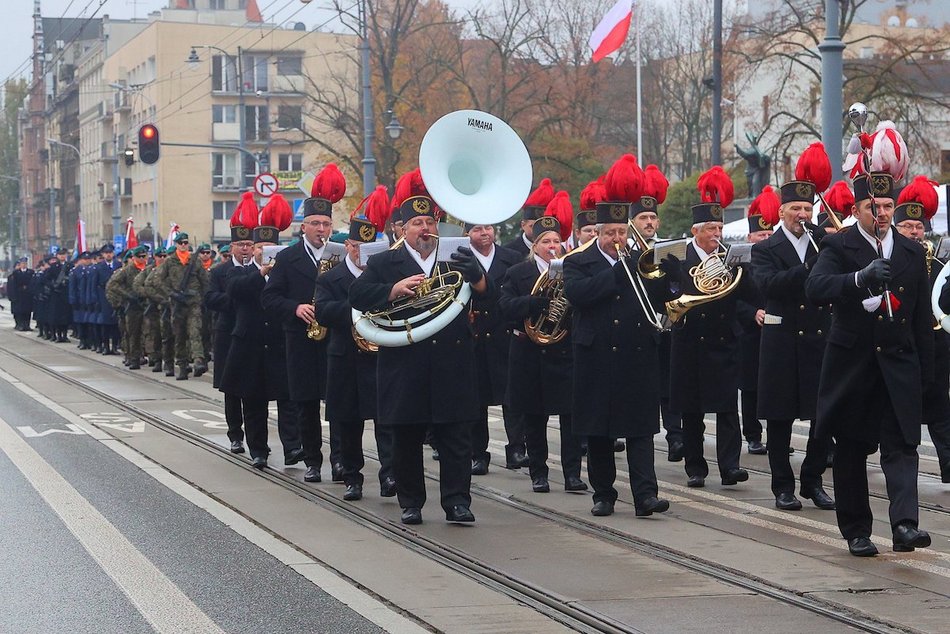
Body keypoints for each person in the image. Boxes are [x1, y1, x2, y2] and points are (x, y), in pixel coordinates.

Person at [349, 169, 491, 525]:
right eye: (416, 223)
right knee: (406, 436)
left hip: (452, 361)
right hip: (404, 362)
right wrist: (392, 291)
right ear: (402, 229)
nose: (424, 229)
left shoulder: (456, 258)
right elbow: (357, 296)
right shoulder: (384, 262)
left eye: (429, 222)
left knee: (456, 436)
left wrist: (478, 276)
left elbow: (494, 301)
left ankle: (457, 501)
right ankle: (410, 501)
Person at [806, 172, 933, 557]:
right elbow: (815, 288)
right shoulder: (839, 245)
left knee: (902, 446)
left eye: (886, 207)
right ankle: (857, 529)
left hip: (898, 363)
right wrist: (859, 278)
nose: (880, 214)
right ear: (856, 209)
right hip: (854, 365)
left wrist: (926, 375)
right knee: (851, 449)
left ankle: (905, 525)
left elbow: (921, 320)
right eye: (871, 207)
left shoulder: (911, 253)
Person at [563, 156, 671, 517]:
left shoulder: (643, 257)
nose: (617, 239)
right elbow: (580, 296)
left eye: (622, 232)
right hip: (595, 356)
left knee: (641, 429)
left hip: (637, 352)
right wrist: (621, 272)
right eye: (610, 233)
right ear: (598, 232)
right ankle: (604, 493)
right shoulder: (578, 262)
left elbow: (661, 296)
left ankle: (645, 495)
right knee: (599, 431)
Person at [668, 166, 755, 489]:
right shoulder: (680, 256)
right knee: (691, 410)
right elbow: (670, 295)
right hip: (690, 340)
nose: (717, 233)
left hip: (723, 340)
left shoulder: (730, 257)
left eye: (719, 227)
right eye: (711, 228)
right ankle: (695, 466)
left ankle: (730, 466)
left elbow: (749, 295)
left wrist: (746, 270)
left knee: (727, 409)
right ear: (696, 231)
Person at [751, 180, 835, 511]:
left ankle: (813, 481)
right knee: (779, 417)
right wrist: (806, 270)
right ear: (782, 211)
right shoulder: (765, 249)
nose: (802, 214)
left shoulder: (822, 243)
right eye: (796, 209)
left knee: (822, 416)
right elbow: (769, 285)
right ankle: (782, 486)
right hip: (782, 341)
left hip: (818, 338)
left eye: (807, 209)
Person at [261, 164, 343, 484]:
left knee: (337, 404)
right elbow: (270, 298)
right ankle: (312, 460)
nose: (321, 229)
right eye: (315, 224)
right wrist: (295, 308)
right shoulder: (287, 258)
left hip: (334, 338)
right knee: (306, 402)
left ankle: (340, 460)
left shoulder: (339, 256)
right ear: (303, 226)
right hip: (300, 340)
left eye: (326, 223)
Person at [499, 211, 586, 494]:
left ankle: (572, 474)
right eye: (546, 241)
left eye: (556, 241)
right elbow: (505, 307)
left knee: (571, 417)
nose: (552, 246)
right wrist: (531, 303)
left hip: (563, 351)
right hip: (529, 353)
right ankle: (539, 472)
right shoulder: (517, 273)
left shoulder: (572, 270)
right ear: (535, 245)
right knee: (534, 418)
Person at [315, 208, 396, 500]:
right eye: (358, 247)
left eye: (369, 248)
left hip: (379, 357)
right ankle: (352, 476)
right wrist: (358, 310)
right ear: (348, 246)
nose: (363, 253)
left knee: (386, 419)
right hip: (345, 358)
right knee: (348, 421)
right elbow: (323, 312)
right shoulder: (331, 278)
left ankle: (390, 474)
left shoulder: (382, 275)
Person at [221, 198, 302, 470]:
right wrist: (261, 273)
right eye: (259, 247)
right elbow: (235, 291)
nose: (264, 251)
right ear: (252, 250)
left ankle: (293, 447)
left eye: (269, 247)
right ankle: (259, 450)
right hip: (250, 346)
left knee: (287, 400)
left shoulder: (286, 272)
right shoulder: (239, 272)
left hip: (279, 344)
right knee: (253, 402)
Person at [895, 176, 950, 484]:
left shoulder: (939, 265)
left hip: (937, 345)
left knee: (941, 409)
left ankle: (948, 464)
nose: (915, 232)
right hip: (905, 344)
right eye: (908, 227)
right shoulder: (892, 260)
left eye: (919, 227)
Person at [629, 166, 684, 461]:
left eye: (652, 218)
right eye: (643, 218)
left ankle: (675, 437)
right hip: (636, 328)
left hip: (665, 325)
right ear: (632, 222)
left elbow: (679, 286)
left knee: (669, 384)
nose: (649, 222)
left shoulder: (668, 247)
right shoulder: (625, 251)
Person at [465, 221, 523, 473]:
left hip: (504, 333)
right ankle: (478, 453)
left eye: (488, 228)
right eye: (477, 229)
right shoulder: (460, 259)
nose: (484, 233)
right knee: (475, 398)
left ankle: (517, 449)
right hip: (474, 335)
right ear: (467, 233)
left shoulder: (512, 256)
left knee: (513, 395)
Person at [205, 196, 255, 453]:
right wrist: (234, 299)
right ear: (231, 246)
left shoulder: (259, 268)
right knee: (231, 387)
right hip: (227, 333)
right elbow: (210, 299)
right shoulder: (219, 271)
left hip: (253, 334)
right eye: (240, 244)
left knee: (253, 388)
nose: (245, 249)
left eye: (249, 244)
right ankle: (235, 433)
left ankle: (257, 435)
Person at [737, 189, 775, 456]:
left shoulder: (777, 258)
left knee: (775, 386)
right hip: (749, 333)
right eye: (760, 234)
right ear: (750, 237)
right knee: (750, 387)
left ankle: (775, 435)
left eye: (769, 234)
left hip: (775, 330)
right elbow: (733, 300)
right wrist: (752, 313)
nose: (765, 238)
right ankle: (752, 434)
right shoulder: (740, 263)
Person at [151, 233, 209, 380]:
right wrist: (171, 294)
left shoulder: (194, 261)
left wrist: (202, 298)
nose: (184, 245)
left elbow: (205, 281)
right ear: (176, 244)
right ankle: (183, 366)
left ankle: (198, 360)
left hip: (193, 302)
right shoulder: (170, 262)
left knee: (195, 331)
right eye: (181, 243)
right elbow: (157, 280)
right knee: (179, 336)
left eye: (185, 243)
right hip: (177, 304)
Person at [105, 246, 149, 369]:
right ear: (134, 257)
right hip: (133, 306)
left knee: (149, 332)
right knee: (133, 333)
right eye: (139, 257)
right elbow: (112, 285)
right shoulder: (127, 270)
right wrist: (127, 296)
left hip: (149, 305)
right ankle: (133, 358)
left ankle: (150, 356)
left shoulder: (149, 269)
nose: (142, 259)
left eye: (144, 256)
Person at [502, 178, 553, 257]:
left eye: (541, 226)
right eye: (532, 226)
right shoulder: (509, 251)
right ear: (523, 225)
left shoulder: (555, 249)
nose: (538, 231)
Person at [93, 244, 122, 353]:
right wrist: (95, 299)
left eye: (110, 252)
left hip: (116, 297)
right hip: (103, 297)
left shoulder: (118, 265)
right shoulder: (99, 267)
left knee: (115, 324)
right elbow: (94, 284)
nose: (108, 254)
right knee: (105, 324)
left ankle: (114, 346)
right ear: (103, 254)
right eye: (106, 253)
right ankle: (105, 346)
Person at [9, 257, 35, 331]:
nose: (24, 265)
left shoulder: (30, 272)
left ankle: (27, 325)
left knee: (28, 311)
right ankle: (20, 325)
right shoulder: (16, 273)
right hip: (19, 295)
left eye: (25, 263)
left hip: (28, 295)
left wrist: (28, 288)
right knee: (20, 311)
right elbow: (14, 285)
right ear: (20, 265)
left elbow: (32, 282)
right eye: (22, 263)